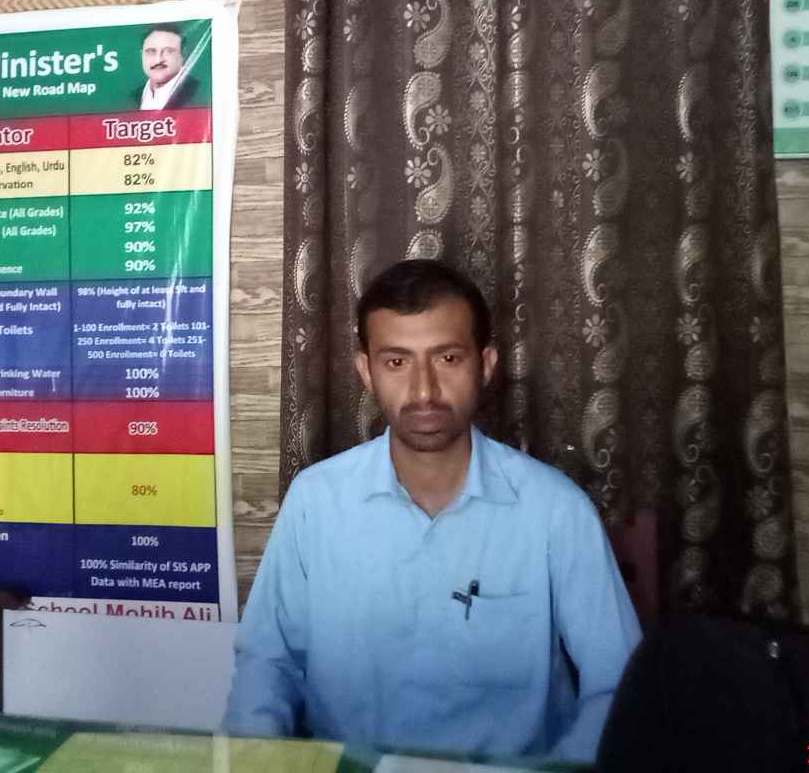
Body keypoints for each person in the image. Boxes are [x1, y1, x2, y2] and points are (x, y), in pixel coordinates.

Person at [223, 259, 641, 763]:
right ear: (366, 371)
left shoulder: (555, 510)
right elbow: (268, 663)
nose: (424, 391)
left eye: (447, 358)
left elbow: (617, 684)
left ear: (485, 364)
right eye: (396, 362)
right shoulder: (317, 501)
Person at [135, 24, 200, 109]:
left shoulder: (200, 93)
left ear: (183, 54)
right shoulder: (133, 98)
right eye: (151, 51)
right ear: (141, 55)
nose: (158, 60)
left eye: (168, 51)